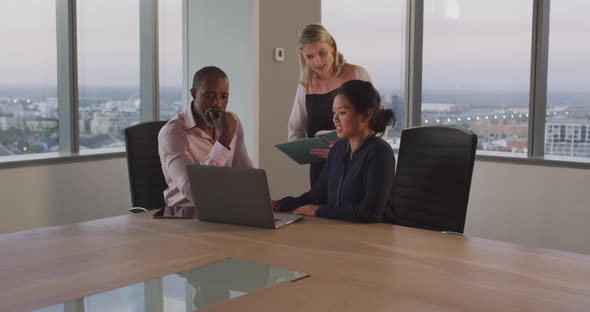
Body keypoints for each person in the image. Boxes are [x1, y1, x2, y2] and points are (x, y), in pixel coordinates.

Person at [275, 80, 396, 223]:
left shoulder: (380, 153)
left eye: (342, 113)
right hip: (341, 230)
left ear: (366, 115)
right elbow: (316, 197)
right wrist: (279, 205)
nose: (335, 119)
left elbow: (370, 212)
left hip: (373, 237)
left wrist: (319, 210)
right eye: (334, 112)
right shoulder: (337, 150)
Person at [288, 23, 373, 187]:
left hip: (356, 166)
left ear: (332, 46)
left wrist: (349, 152)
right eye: (310, 57)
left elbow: (376, 123)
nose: (318, 61)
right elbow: (295, 131)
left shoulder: (358, 74)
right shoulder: (305, 86)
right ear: (302, 56)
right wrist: (307, 151)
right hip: (321, 171)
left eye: (322, 53)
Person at [158, 66, 253, 207]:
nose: (217, 104)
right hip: (187, 216)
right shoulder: (173, 133)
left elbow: (246, 174)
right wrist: (224, 141)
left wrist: (259, 201)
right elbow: (194, 191)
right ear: (194, 93)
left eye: (224, 97)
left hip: (226, 209)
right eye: (209, 96)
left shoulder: (233, 121)